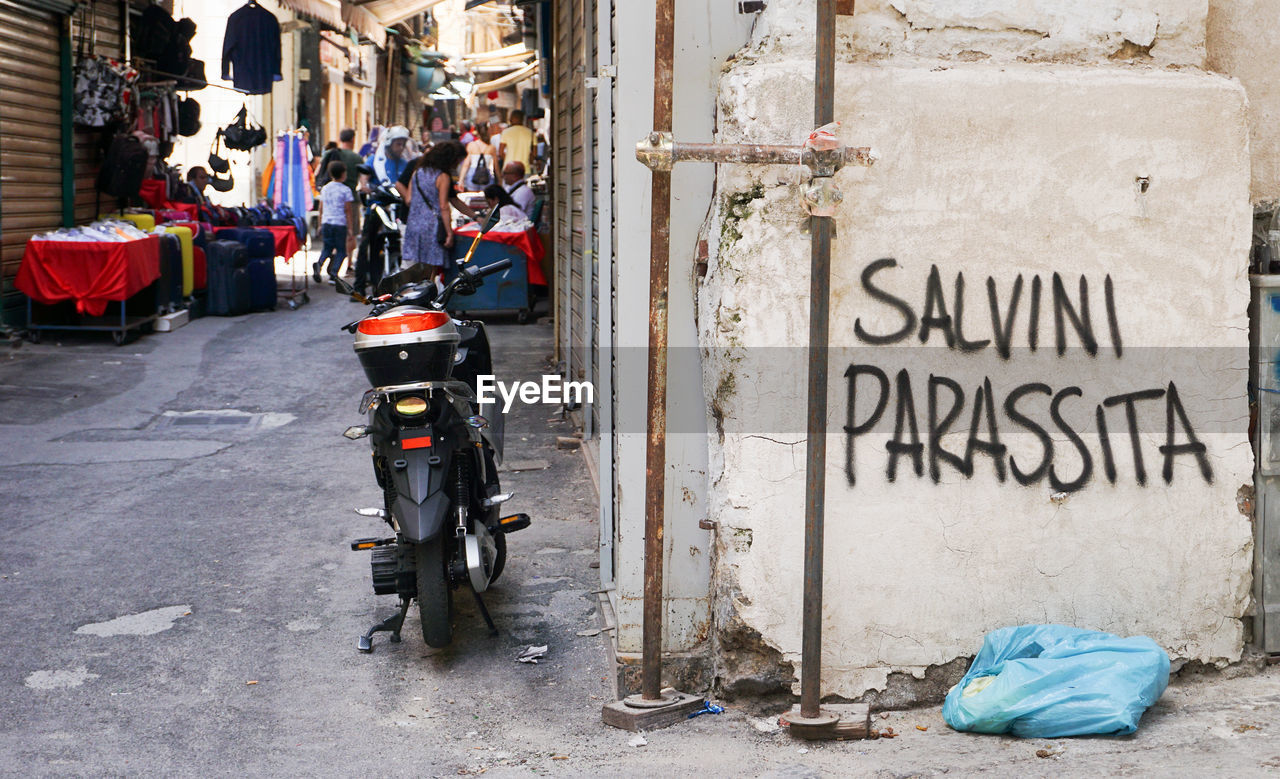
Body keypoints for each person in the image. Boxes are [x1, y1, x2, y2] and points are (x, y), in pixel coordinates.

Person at [396, 141, 477, 282]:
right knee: (431, 271)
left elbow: (408, 199)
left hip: (414, 224)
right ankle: (427, 300)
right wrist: (449, 233)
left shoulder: (417, 172)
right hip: (432, 227)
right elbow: (444, 206)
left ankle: (414, 298)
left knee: (415, 269)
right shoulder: (443, 176)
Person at [353, 125, 414, 296]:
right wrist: (366, 186)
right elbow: (364, 177)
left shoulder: (404, 163)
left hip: (398, 209)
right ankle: (359, 288)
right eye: (398, 144)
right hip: (377, 208)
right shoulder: (374, 159)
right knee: (366, 246)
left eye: (403, 144)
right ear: (389, 144)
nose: (401, 148)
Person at [314, 160, 357, 284]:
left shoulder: (325, 188)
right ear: (343, 174)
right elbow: (348, 211)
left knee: (327, 248)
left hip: (326, 222)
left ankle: (319, 265)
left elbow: (320, 208)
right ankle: (333, 274)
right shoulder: (346, 190)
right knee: (341, 251)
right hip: (339, 223)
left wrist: (319, 224)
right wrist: (350, 228)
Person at [316, 128, 364, 194]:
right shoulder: (357, 158)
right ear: (353, 139)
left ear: (339, 139)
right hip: (351, 197)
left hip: (330, 196)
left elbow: (317, 173)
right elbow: (363, 181)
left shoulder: (329, 153)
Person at [460, 126, 497, 192]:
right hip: (487, 174)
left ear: (478, 134)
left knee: (472, 198)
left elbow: (466, 164)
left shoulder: (471, 145)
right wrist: (500, 179)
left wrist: (461, 180)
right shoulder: (492, 148)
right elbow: (496, 166)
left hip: (472, 173)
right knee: (486, 198)